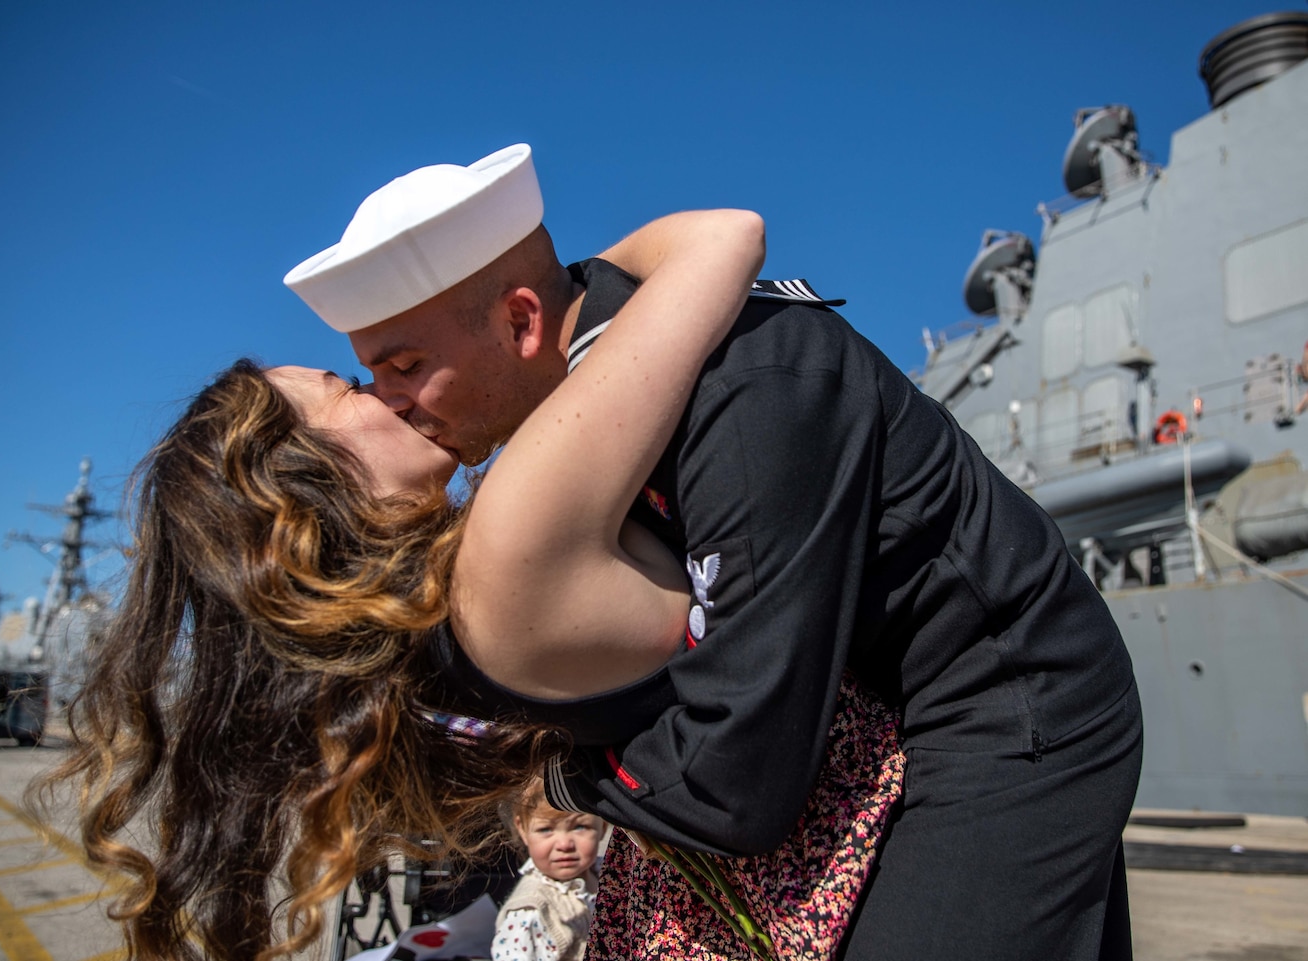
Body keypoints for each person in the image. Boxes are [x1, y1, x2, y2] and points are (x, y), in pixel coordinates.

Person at [283, 143, 1144, 960]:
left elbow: (743, 777)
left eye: (402, 365)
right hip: (886, 714)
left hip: (1004, 707)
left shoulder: (745, 387)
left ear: (520, 319)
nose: (388, 401)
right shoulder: (609, 394)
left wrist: (566, 777)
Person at [37, 208, 839, 961]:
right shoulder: (513, 529)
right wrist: (545, 278)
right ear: (307, 491)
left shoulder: (433, 626)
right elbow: (726, 236)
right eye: (352, 387)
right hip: (827, 851)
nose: (386, 391)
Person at [492, 777, 604, 961]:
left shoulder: (608, 874)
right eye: (545, 830)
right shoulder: (529, 912)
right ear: (522, 830)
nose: (564, 844)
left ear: (603, 826)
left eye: (580, 827)